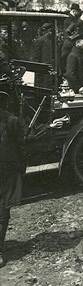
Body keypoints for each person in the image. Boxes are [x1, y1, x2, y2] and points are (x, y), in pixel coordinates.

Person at [0, 91, 25, 268]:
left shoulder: (12, 121)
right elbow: (21, 146)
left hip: (5, 170)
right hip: (6, 170)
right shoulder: (12, 120)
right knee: (2, 213)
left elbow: (20, 146)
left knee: (2, 213)